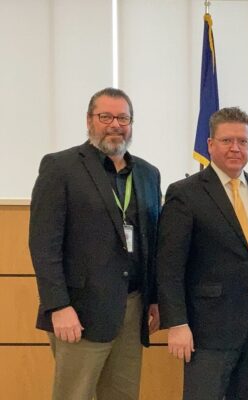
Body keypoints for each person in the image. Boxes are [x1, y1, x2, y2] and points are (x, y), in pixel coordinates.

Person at [29, 87, 162, 400]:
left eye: (123, 118)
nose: (115, 124)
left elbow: (151, 243)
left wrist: (155, 299)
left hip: (133, 307)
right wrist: (58, 305)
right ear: (89, 121)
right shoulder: (60, 167)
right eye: (106, 117)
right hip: (80, 310)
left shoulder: (147, 174)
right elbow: (43, 244)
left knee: (123, 394)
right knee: (74, 395)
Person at [156, 107, 248, 400]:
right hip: (206, 328)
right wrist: (178, 324)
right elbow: (169, 264)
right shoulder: (185, 192)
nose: (236, 148)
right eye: (227, 140)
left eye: (243, 141)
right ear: (210, 145)